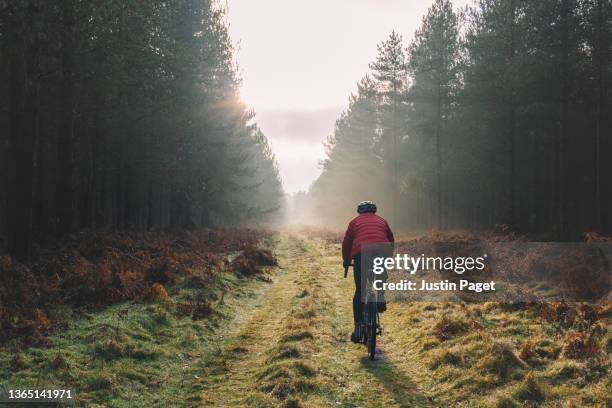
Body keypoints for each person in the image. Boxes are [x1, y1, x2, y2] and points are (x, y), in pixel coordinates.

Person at [342, 201, 394, 343]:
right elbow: (390, 240)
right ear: (374, 211)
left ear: (359, 211)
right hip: (381, 251)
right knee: (380, 278)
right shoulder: (382, 221)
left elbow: (347, 243)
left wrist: (346, 260)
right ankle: (381, 298)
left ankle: (358, 328)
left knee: (360, 290)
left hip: (361, 253)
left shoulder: (354, 222)